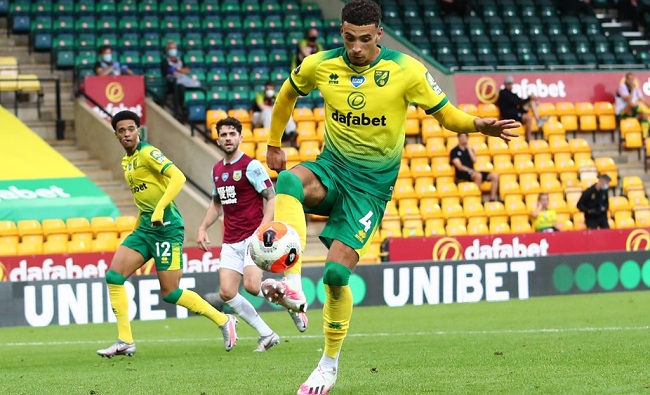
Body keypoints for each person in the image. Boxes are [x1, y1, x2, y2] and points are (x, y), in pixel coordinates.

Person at [259, 1, 520, 393]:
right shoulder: (320, 65)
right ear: (341, 33)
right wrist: (273, 142)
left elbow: (446, 115)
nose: (357, 47)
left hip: (370, 188)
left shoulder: (406, 70)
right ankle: (292, 280)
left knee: (333, 276)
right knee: (290, 182)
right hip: (332, 168)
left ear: (379, 34)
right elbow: (286, 93)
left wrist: (478, 124)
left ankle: (328, 365)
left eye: (365, 39)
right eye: (349, 38)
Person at [97, 110, 238, 358]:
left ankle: (223, 320)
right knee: (114, 276)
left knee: (170, 293)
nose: (127, 133)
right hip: (145, 229)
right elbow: (144, 200)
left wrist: (160, 208)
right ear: (116, 134)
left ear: (138, 131)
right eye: (121, 130)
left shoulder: (148, 153)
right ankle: (125, 340)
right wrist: (139, 227)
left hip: (167, 228)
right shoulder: (126, 161)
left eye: (131, 129)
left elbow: (178, 177)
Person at [197, 117, 307, 352]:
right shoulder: (216, 170)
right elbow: (216, 204)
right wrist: (203, 227)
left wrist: (264, 226)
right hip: (231, 240)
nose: (228, 138)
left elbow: (271, 195)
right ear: (217, 139)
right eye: (224, 134)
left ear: (240, 137)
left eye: (232, 134)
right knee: (227, 293)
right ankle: (267, 334)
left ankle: (292, 303)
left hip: (252, 237)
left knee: (252, 286)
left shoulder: (251, 166)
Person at [450, 133, 500, 202]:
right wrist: (472, 171)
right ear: (458, 138)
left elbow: (474, 160)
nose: (464, 138)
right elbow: (460, 167)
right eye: (462, 136)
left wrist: (468, 148)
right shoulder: (454, 151)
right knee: (478, 176)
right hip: (462, 174)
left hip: (472, 172)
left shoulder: (469, 149)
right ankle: (477, 198)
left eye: (465, 136)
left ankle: (492, 198)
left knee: (494, 176)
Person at [497, 75, 549, 142]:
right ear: (505, 84)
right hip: (510, 114)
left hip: (516, 112)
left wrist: (530, 99)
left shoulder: (512, 94)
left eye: (511, 83)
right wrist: (529, 98)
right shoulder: (503, 93)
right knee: (529, 117)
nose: (510, 85)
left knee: (532, 102)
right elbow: (518, 102)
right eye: (508, 84)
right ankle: (529, 137)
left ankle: (538, 119)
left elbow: (519, 102)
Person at [252, 80, 298, 147]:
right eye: (267, 89)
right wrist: (274, 108)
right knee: (267, 112)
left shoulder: (277, 95)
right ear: (265, 89)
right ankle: (269, 135)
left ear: (274, 89)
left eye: (271, 89)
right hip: (258, 116)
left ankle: (291, 132)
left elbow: (282, 106)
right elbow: (262, 107)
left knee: (286, 112)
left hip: (273, 114)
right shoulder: (260, 95)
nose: (269, 91)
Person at [615, 72, 650, 137]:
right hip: (622, 112)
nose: (631, 81)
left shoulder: (637, 89)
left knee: (645, 116)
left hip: (633, 112)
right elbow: (629, 101)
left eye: (632, 79)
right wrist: (633, 89)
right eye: (629, 79)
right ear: (626, 80)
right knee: (632, 105)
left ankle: (644, 137)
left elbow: (643, 100)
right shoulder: (621, 88)